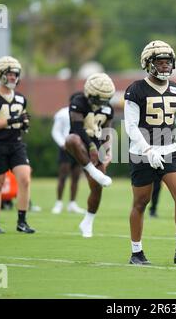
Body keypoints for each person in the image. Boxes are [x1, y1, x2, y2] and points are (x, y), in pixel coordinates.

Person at [124, 40, 176, 265]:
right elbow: (130, 126)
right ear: (149, 63)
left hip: (169, 150)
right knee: (141, 202)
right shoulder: (135, 89)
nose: (165, 66)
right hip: (142, 152)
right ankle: (136, 252)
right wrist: (147, 149)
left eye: (168, 62)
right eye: (160, 62)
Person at [0, 56, 35, 234]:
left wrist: (24, 123)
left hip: (16, 143)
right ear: (0, 74)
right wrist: (14, 120)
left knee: (25, 179)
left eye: (15, 74)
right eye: (10, 74)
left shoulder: (20, 98)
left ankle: (22, 221)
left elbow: (22, 118)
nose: (13, 78)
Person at [65, 73, 115, 238]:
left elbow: (107, 132)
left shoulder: (108, 108)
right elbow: (77, 128)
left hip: (97, 146)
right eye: (98, 98)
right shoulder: (78, 101)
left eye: (104, 99)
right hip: (80, 143)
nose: (101, 103)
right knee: (71, 139)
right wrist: (92, 146)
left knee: (97, 187)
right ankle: (92, 171)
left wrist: (108, 151)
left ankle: (87, 221)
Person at [51, 104, 85, 215]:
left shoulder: (84, 112)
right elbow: (55, 131)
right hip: (66, 148)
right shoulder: (63, 113)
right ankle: (59, 203)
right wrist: (62, 144)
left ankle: (72, 204)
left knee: (76, 176)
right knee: (63, 176)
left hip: (79, 148)